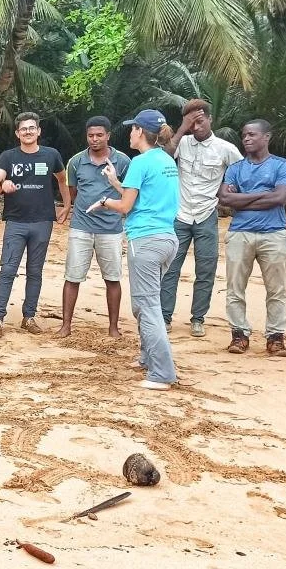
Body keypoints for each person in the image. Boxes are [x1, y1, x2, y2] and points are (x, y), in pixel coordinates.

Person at [90, 110, 180, 390]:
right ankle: (147, 357)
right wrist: (115, 182)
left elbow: (126, 206)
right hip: (167, 238)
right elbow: (138, 195)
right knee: (143, 303)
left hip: (146, 240)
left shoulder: (141, 162)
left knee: (148, 306)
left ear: (141, 132)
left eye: (132, 129)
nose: (129, 133)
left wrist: (105, 201)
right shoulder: (166, 160)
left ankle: (162, 373)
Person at [162, 99, 242, 337]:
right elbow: (165, 156)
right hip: (180, 214)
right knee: (169, 268)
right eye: (190, 123)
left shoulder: (225, 148)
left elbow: (241, 173)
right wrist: (182, 128)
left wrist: (228, 189)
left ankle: (198, 318)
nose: (195, 127)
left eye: (199, 121)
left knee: (205, 269)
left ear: (210, 119)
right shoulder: (181, 143)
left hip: (207, 214)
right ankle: (165, 317)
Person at [0, 111, 70, 337]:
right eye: (23, 129)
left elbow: (62, 180)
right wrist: (2, 185)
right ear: (17, 133)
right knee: (8, 269)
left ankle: (29, 317)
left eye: (31, 128)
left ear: (38, 131)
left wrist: (66, 204)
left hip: (43, 221)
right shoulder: (8, 157)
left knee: (35, 271)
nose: (28, 132)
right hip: (15, 221)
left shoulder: (51, 155)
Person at [217, 120, 286, 356]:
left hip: (274, 233)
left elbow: (280, 198)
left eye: (252, 134)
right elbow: (224, 199)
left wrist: (243, 197)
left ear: (266, 137)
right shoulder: (236, 168)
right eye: (244, 135)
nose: (246, 139)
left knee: (276, 289)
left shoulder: (282, 165)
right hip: (240, 233)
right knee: (235, 287)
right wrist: (265, 194)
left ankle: (275, 337)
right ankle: (239, 334)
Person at [57, 116, 132, 338]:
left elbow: (129, 194)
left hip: (111, 228)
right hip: (81, 226)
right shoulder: (76, 162)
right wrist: (69, 210)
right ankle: (66, 326)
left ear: (108, 135)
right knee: (72, 276)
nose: (95, 139)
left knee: (112, 278)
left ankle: (113, 327)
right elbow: (72, 192)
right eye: (90, 135)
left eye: (100, 135)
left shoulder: (124, 162)